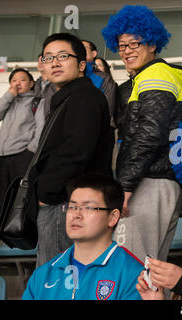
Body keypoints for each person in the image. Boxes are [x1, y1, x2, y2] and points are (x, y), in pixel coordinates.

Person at [102, 5, 182, 262]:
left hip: (149, 181)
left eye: (134, 44)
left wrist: (126, 185)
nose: (127, 51)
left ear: (152, 44)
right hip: (157, 180)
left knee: (132, 265)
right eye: (122, 45)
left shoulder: (155, 75)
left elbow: (150, 133)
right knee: (149, 271)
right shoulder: (146, 77)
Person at [33, 32, 112, 266]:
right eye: (48, 58)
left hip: (65, 203)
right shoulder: (66, 98)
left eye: (63, 56)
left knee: (58, 278)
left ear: (81, 64)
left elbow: (76, 152)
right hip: (62, 200)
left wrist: (46, 195)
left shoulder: (84, 96)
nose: (55, 63)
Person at [22, 174, 144, 300]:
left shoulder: (134, 275)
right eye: (72, 207)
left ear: (112, 217)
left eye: (88, 208)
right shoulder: (43, 274)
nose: (76, 215)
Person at [0, 68, 45, 211]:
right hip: (1, 156)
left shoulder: (37, 102)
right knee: (0, 198)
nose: (18, 83)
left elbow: (41, 128)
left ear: (31, 83)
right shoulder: (8, 101)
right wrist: (9, 95)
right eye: (14, 80)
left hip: (22, 156)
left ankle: (22, 232)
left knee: (22, 200)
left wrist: (30, 151)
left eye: (22, 80)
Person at [82, 39, 118, 177]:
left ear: (94, 53)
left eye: (83, 48)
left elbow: (106, 112)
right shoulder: (67, 79)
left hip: (99, 136)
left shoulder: (103, 79)